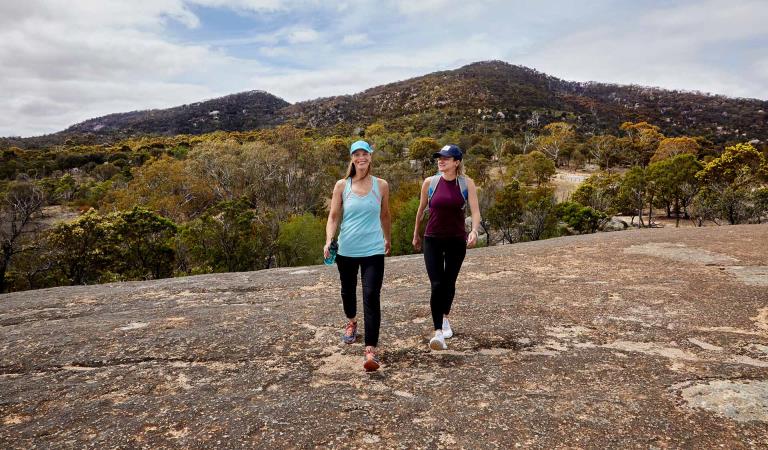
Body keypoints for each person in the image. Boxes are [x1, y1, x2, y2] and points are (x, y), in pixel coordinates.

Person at [324, 140, 391, 371]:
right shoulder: (342, 185)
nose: (361, 157)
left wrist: (387, 238)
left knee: (371, 295)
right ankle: (351, 321)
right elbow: (333, 217)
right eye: (356, 154)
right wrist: (328, 239)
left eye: (365, 153)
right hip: (347, 250)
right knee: (348, 291)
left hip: (373, 249)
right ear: (352, 159)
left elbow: (385, 215)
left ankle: (371, 351)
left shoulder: (381, 185)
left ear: (371, 156)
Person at [412, 144, 481, 351]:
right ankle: (438, 333)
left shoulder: (466, 183)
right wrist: (416, 233)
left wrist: (475, 230)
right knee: (437, 284)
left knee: (449, 282)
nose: (441, 161)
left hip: (456, 240)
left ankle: (445, 317)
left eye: (446, 158)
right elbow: (421, 209)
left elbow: (476, 212)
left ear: (456, 162)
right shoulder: (430, 182)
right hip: (432, 239)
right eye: (439, 158)